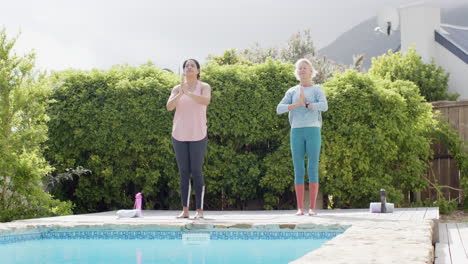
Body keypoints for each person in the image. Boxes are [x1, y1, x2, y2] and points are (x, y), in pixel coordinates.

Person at [276, 58, 328, 216]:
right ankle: (300, 208)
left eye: (305, 68)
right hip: (296, 131)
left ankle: (312, 208)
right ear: (296, 72)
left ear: (311, 71)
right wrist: (296, 104)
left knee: (312, 167)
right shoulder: (291, 91)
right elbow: (279, 109)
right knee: (298, 168)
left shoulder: (317, 89)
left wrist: (307, 104)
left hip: (313, 130)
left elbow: (324, 106)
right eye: (299, 68)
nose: (302, 70)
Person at [166, 59, 211, 219]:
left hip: (198, 134)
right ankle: (185, 211)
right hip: (179, 135)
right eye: (186, 66)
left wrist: (189, 93)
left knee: (197, 172)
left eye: (192, 65)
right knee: (183, 172)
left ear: (198, 70)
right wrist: (180, 93)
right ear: (184, 71)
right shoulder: (177, 89)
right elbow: (169, 106)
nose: (189, 68)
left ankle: (199, 211)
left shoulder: (204, 87)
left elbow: (206, 101)